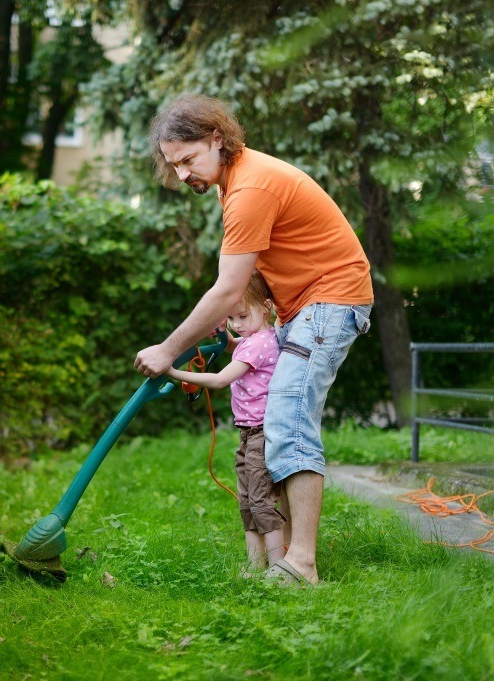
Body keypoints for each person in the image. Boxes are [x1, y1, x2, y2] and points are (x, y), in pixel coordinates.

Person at [133, 93, 373, 586]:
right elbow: (245, 280)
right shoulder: (233, 183)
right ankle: (288, 555)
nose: (182, 174)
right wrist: (240, 318)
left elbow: (227, 288)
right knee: (279, 422)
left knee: (287, 421)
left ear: (217, 139)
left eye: (188, 159)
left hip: (331, 301)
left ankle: (301, 563)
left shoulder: (250, 189)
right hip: (302, 307)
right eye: (174, 165)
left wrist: (168, 349)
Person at [166, 272, 287, 576]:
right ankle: (254, 566)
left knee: (260, 501)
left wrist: (173, 372)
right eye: (231, 318)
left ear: (266, 307)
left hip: (262, 434)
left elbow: (220, 380)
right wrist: (226, 338)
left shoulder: (261, 343)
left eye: (242, 316)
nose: (236, 323)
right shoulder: (254, 340)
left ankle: (278, 568)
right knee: (247, 500)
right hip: (248, 433)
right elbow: (238, 346)